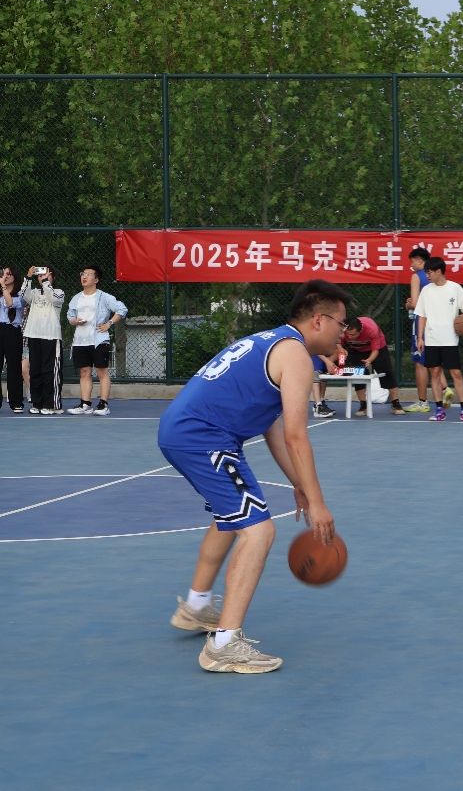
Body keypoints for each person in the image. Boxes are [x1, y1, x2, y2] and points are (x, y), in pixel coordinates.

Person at [158, 279, 349, 674]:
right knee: (259, 531)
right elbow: (297, 436)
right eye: (341, 323)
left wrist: (299, 485)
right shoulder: (295, 354)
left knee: (233, 517)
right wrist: (318, 503)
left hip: (188, 430)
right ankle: (224, 645)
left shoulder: (274, 342)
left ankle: (196, 606)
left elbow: (273, 428)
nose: (343, 332)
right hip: (204, 437)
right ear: (319, 320)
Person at [416, 257, 463, 422]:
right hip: (432, 339)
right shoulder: (426, 291)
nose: (427, 276)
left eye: (429, 272)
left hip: (450, 340)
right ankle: (439, 410)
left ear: (439, 271)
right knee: (435, 373)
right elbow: (422, 316)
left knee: (456, 373)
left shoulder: (455, 288)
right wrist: (420, 337)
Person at [65, 265, 128, 416]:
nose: (84, 276)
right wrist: (75, 321)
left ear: (96, 279)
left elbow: (122, 309)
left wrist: (109, 323)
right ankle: (85, 404)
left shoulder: (104, 297)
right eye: (83, 273)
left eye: (88, 274)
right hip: (80, 341)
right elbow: (70, 316)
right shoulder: (76, 298)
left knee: (102, 372)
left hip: (99, 340)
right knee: (84, 372)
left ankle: (103, 405)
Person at [402, 247, 454, 413]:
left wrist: (408, 304)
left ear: (419, 260)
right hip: (438, 322)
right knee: (434, 360)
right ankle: (445, 388)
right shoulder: (438, 278)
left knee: (420, 363)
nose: (411, 265)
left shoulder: (417, 276)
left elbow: (416, 304)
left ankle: (423, 402)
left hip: (422, 323)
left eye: (412, 261)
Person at [20, 265, 65, 415]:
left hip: (51, 336)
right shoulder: (33, 293)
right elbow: (23, 295)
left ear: (53, 277)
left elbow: (54, 299)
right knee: (35, 370)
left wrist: (46, 282)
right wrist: (28, 277)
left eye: (46, 275)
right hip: (34, 335)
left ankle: (51, 404)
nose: (42, 277)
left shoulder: (59, 292)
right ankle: (37, 403)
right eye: (40, 275)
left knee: (49, 371)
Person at [340, 315, 405, 416]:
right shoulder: (342, 331)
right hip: (355, 349)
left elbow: (375, 351)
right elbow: (339, 346)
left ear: (360, 331)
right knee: (358, 375)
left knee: (386, 371)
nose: (349, 337)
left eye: (353, 335)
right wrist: (341, 360)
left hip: (377, 348)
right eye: (348, 334)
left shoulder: (371, 329)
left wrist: (369, 360)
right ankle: (363, 406)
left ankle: (395, 404)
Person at [1, 266, 26, 412]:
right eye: (3, 274)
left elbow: (10, 303)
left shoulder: (20, 295)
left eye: (8, 274)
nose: (5, 276)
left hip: (12, 330)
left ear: (14, 277)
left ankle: (16, 402)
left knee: (14, 367)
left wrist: (3, 286)